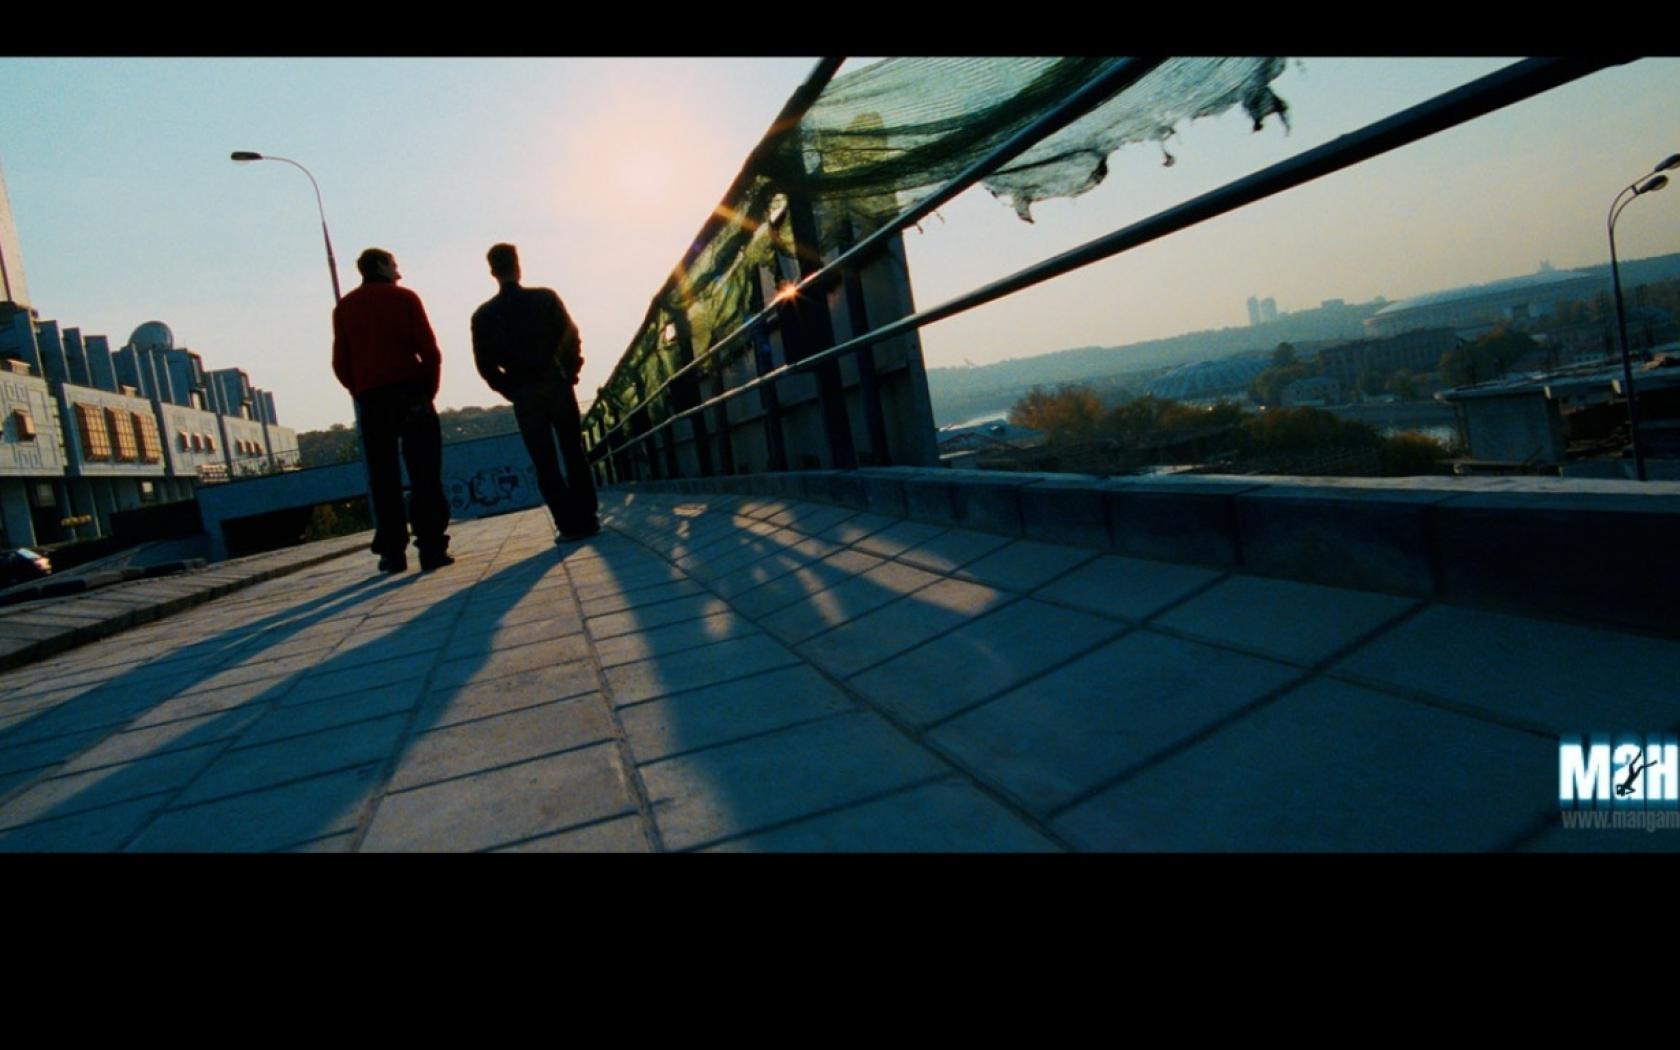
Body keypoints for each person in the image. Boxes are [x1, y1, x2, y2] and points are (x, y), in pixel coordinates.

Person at [331, 247, 452, 573]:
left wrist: (359, 389)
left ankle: (392, 551)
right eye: (394, 264)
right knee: (424, 473)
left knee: (383, 477)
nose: (398, 270)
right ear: (381, 266)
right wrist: (428, 390)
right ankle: (431, 546)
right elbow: (429, 351)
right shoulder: (405, 299)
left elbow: (340, 362)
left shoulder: (344, 308)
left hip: (372, 400)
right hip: (411, 394)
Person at [470, 243, 599, 543]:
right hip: (555, 382)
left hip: (523, 390)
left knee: (544, 461)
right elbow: (571, 336)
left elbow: (485, 365)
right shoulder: (545, 298)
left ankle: (567, 524)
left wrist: (510, 389)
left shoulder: (484, 316)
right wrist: (570, 372)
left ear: (492, 271)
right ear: (518, 266)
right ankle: (587, 517)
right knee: (573, 452)